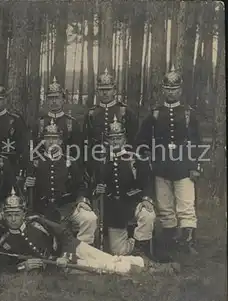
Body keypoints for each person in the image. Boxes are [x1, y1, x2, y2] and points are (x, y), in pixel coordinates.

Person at [0, 189, 154, 275]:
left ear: (24, 213)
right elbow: (3, 264)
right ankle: (134, 269)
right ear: (4, 215)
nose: (13, 219)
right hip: (60, 266)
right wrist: (23, 267)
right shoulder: (4, 239)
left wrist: (64, 254)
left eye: (17, 214)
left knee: (106, 257)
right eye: (9, 215)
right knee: (102, 268)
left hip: (71, 247)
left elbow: (62, 233)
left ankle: (141, 262)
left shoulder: (35, 221)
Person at [136, 65, 202, 259]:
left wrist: (195, 166)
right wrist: (147, 156)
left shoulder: (189, 114)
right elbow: (142, 140)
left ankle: (187, 242)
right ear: (163, 90)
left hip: (184, 167)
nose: (171, 92)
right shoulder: (155, 114)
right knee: (165, 206)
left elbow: (197, 142)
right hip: (161, 167)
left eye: (175, 89)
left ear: (180, 90)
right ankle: (169, 241)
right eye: (168, 89)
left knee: (186, 205)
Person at [92, 115, 157, 261]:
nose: (115, 142)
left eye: (118, 138)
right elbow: (94, 184)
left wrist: (146, 199)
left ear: (124, 140)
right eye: (112, 139)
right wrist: (97, 189)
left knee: (148, 215)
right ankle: (134, 243)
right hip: (113, 209)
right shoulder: (101, 161)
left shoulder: (134, 159)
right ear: (107, 141)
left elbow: (146, 182)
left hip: (132, 202)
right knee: (119, 252)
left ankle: (141, 249)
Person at [25, 119, 97, 245]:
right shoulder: (35, 163)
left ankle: (82, 249)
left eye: (55, 138)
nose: (51, 142)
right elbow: (26, 190)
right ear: (43, 141)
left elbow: (81, 185)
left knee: (89, 218)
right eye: (48, 138)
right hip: (43, 209)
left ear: (60, 141)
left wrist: (81, 200)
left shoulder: (69, 162)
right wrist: (26, 185)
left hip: (67, 208)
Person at [83, 68, 139, 152]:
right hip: (96, 158)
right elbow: (86, 139)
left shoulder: (125, 111)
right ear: (97, 91)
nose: (105, 93)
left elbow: (133, 138)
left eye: (108, 89)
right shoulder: (91, 113)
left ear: (114, 91)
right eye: (101, 90)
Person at [32, 76, 83, 161]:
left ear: (63, 100)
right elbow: (33, 150)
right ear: (47, 101)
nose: (54, 101)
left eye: (57, 97)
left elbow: (77, 152)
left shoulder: (72, 123)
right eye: (51, 98)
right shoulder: (40, 123)